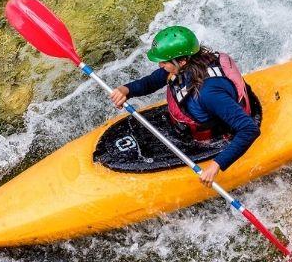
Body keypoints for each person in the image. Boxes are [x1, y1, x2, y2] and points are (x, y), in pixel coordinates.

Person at [108, 25, 260, 186]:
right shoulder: (185, 64)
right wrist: (125, 90)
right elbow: (152, 81)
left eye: (164, 62)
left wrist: (217, 165)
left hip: (214, 139)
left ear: (182, 60)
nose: (160, 65)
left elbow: (249, 129)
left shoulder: (209, 93)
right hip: (200, 117)